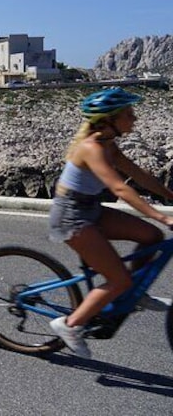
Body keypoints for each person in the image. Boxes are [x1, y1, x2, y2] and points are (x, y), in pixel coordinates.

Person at [48, 87, 173, 358]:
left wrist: (169, 196)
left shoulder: (108, 145)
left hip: (90, 208)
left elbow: (139, 176)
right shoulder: (91, 148)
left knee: (152, 237)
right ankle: (69, 325)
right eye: (129, 114)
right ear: (109, 120)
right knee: (119, 280)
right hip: (71, 216)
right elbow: (120, 189)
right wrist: (162, 216)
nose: (134, 119)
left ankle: (134, 292)